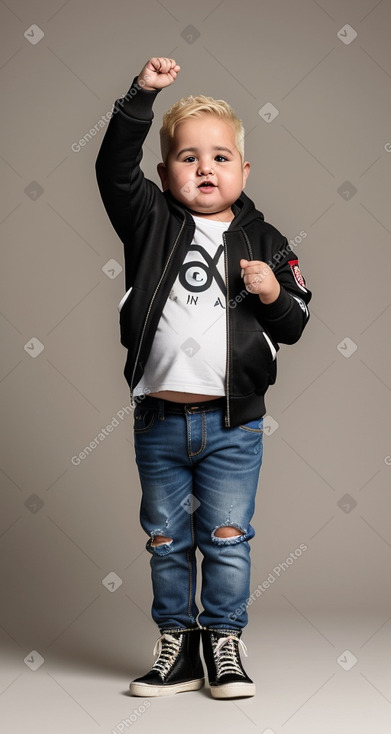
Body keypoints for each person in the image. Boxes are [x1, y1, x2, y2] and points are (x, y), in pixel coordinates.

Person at [95, 56, 311, 699]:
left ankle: (223, 643)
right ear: (165, 174)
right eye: (188, 158)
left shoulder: (266, 239)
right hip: (159, 419)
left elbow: (296, 321)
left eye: (220, 157)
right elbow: (110, 168)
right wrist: (140, 97)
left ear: (245, 171)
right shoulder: (150, 223)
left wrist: (272, 293)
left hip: (232, 423)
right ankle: (177, 646)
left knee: (226, 537)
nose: (205, 168)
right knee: (165, 540)